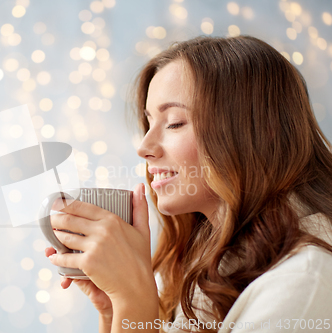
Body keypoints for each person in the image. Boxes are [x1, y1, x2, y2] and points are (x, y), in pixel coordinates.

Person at [44, 35, 332, 333]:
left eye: (175, 123)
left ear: (263, 130)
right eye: (149, 122)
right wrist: (115, 309)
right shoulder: (208, 269)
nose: (144, 146)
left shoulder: (304, 281)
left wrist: (134, 300)